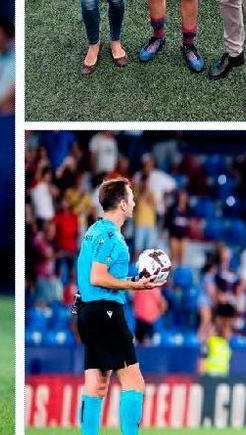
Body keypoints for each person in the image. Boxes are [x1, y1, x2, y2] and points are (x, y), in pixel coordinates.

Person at [76, 178, 164, 435]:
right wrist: (135, 286)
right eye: (132, 198)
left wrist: (133, 281)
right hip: (106, 312)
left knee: (96, 383)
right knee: (134, 382)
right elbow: (98, 277)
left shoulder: (93, 231)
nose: (135, 202)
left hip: (87, 310)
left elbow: (97, 278)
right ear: (123, 204)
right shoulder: (113, 238)